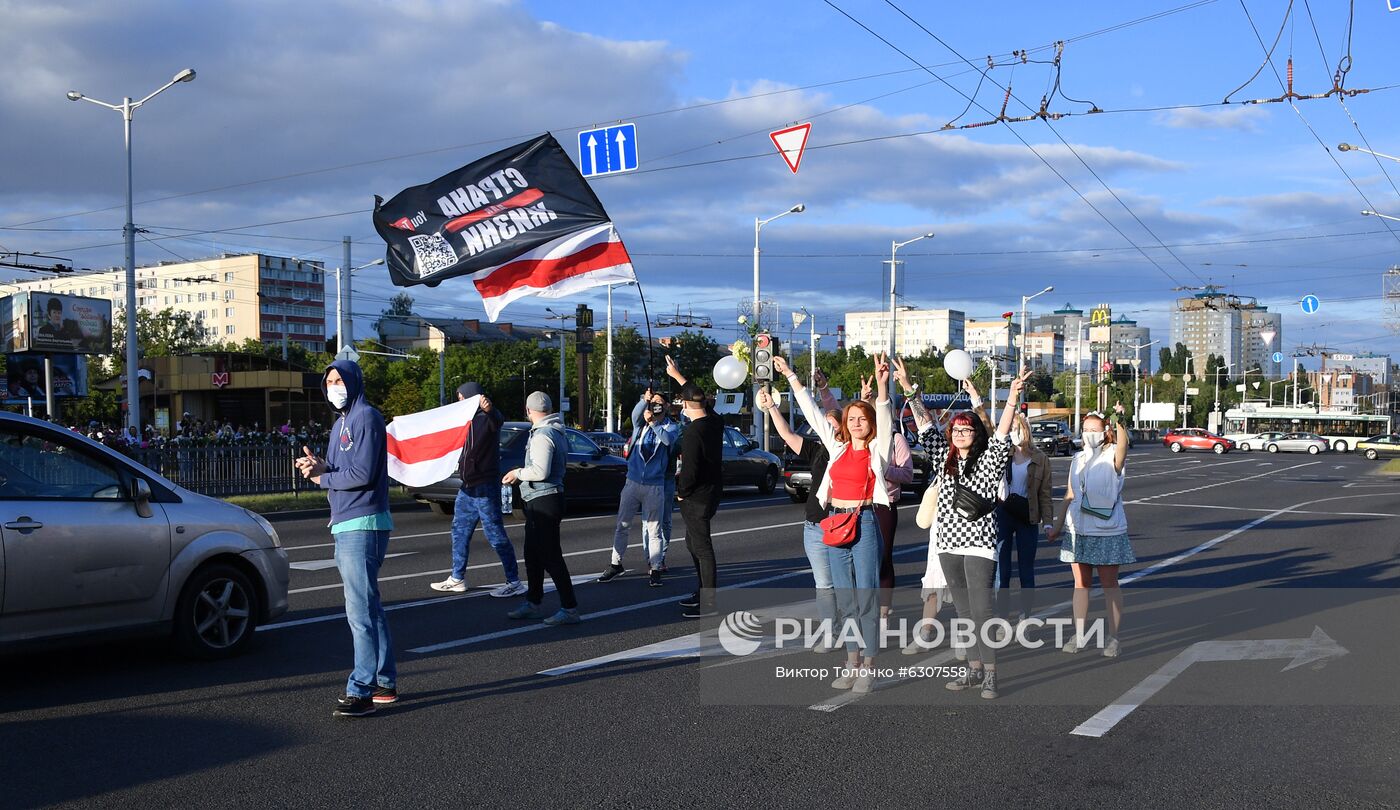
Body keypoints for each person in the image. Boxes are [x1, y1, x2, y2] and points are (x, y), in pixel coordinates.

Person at [908, 367, 1029, 700]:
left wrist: (1014, 397)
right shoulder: (943, 459)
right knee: (962, 612)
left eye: (966, 428)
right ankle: (973, 671)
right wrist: (909, 389)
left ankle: (991, 675)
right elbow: (925, 427)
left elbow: (1003, 434)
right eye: (956, 429)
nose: (960, 432)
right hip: (948, 543)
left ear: (976, 433)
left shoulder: (989, 460)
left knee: (981, 611)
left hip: (979, 544)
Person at [782, 354, 893, 693]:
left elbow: (886, 418)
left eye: (862, 418)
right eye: (852, 418)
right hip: (834, 522)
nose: (856, 423)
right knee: (846, 599)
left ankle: (869, 667)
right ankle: (851, 662)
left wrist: (883, 385)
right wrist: (790, 376)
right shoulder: (837, 448)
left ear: (870, 423)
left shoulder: (877, 450)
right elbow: (813, 414)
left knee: (866, 597)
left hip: (866, 522)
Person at [295, 359, 397, 717]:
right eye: (329, 381)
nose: (333, 386)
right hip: (347, 522)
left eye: (339, 379)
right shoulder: (342, 422)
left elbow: (364, 473)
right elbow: (344, 470)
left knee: (359, 612)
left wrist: (323, 479)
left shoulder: (366, 417)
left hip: (363, 522)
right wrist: (320, 466)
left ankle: (361, 689)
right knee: (369, 607)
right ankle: (384, 681)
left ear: (353, 381)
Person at [759, 383, 841, 653]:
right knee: (824, 584)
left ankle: (851, 625)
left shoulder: (848, 451)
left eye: (829, 422)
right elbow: (786, 433)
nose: (823, 426)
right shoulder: (816, 450)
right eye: (822, 422)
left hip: (842, 524)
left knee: (846, 582)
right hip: (814, 526)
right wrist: (771, 406)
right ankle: (831, 630)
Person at [1047, 404, 1133, 657]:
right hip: (1078, 530)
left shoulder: (1112, 456)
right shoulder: (1078, 459)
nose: (1088, 434)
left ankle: (1114, 637)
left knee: (1109, 585)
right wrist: (1058, 524)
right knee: (1080, 584)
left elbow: (1123, 446)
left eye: (1093, 430)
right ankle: (1080, 633)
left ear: (1105, 431)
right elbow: (1070, 494)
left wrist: (1120, 420)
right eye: (1085, 430)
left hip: (1106, 530)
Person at [431, 382, 525, 598]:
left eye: (462, 397)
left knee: (495, 535)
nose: (459, 402)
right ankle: (457, 578)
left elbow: (497, 419)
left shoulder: (487, 419)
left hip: (485, 487)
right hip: (467, 487)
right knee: (459, 531)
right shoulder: (463, 422)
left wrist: (489, 409)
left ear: (474, 398)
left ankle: (514, 581)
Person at [502, 392, 580, 625]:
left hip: (543, 499)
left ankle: (569, 607)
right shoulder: (556, 430)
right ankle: (533, 601)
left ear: (528, 410)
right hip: (546, 498)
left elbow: (540, 472)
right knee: (533, 554)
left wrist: (517, 473)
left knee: (550, 556)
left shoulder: (542, 435)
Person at [598, 386, 680, 587]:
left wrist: (653, 423)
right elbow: (635, 415)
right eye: (653, 403)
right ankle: (615, 563)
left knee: (654, 529)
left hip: (655, 485)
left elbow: (667, 440)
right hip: (632, 482)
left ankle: (655, 567)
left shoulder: (671, 426)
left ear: (667, 406)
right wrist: (644, 400)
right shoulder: (640, 424)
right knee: (622, 525)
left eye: (659, 403)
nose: (655, 406)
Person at [996, 413, 1054, 631]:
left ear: (1026, 429)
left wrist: (1048, 523)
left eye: (1017, 427)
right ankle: (1002, 619)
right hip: (1003, 514)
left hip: (1028, 516)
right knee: (1002, 571)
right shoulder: (1002, 454)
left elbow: (1045, 494)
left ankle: (1024, 619)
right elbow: (986, 424)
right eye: (1010, 428)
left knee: (1026, 570)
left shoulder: (1040, 459)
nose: (1014, 432)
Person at [675, 379, 724, 619]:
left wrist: (682, 492)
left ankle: (709, 602)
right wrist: (678, 377)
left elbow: (689, 470)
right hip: (712, 493)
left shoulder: (693, 432)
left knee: (702, 547)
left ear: (684, 404)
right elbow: (697, 396)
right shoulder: (715, 422)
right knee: (692, 542)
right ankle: (703, 591)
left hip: (697, 497)